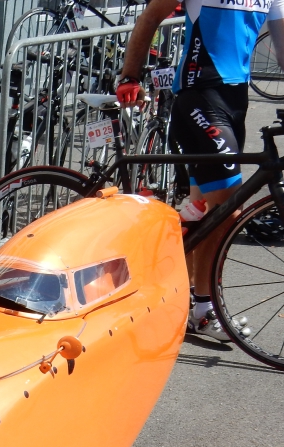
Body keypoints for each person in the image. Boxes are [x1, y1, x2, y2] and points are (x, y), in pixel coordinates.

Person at [117, 0, 284, 341]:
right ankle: (205, 309)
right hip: (199, 97)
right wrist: (130, 75)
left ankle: (173, 284)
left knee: (205, 210)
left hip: (235, 102)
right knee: (227, 208)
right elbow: (152, 15)